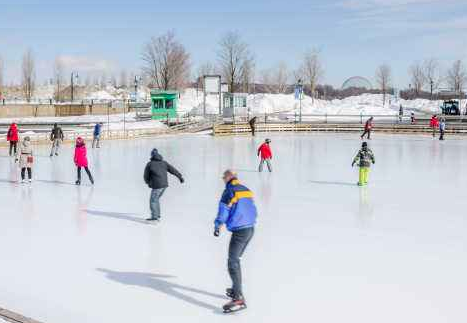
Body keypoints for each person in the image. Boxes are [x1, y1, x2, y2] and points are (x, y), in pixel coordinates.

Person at [214, 170, 257, 313]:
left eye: (223, 177)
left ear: (228, 177)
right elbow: (252, 208)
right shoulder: (246, 190)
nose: (222, 180)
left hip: (240, 231)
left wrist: (218, 225)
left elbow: (223, 210)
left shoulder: (229, 191)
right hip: (250, 229)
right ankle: (235, 289)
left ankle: (238, 297)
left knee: (233, 261)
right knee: (236, 259)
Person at [143, 148, 184, 222]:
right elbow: (173, 170)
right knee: (156, 200)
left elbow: (146, 176)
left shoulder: (150, 164)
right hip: (164, 185)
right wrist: (180, 177)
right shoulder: (164, 163)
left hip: (157, 185)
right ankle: (157, 215)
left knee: (153, 201)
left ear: (151, 155)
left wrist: (148, 182)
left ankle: (154, 217)